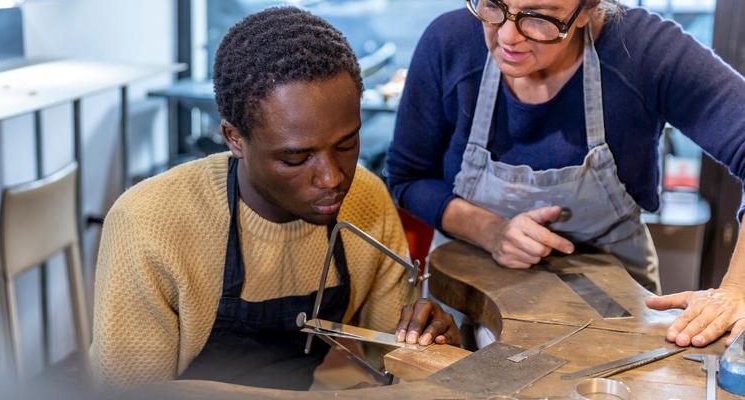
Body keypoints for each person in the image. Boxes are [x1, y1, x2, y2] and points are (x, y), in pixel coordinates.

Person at [90, 7, 459, 390]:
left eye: (347, 144)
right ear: (234, 138)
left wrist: (430, 347)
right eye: (295, 158)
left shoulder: (365, 199)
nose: (333, 177)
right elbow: (130, 394)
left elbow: (391, 366)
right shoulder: (150, 223)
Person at [387, 0, 745, 347]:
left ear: (587, 9)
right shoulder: (450, 43)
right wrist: (491, 231)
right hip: (465, 295)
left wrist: (737, 289)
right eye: (494, 5)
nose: (508, 36)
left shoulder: (642, 51)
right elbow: (407, 177)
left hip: (611, 313)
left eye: (539, 17)